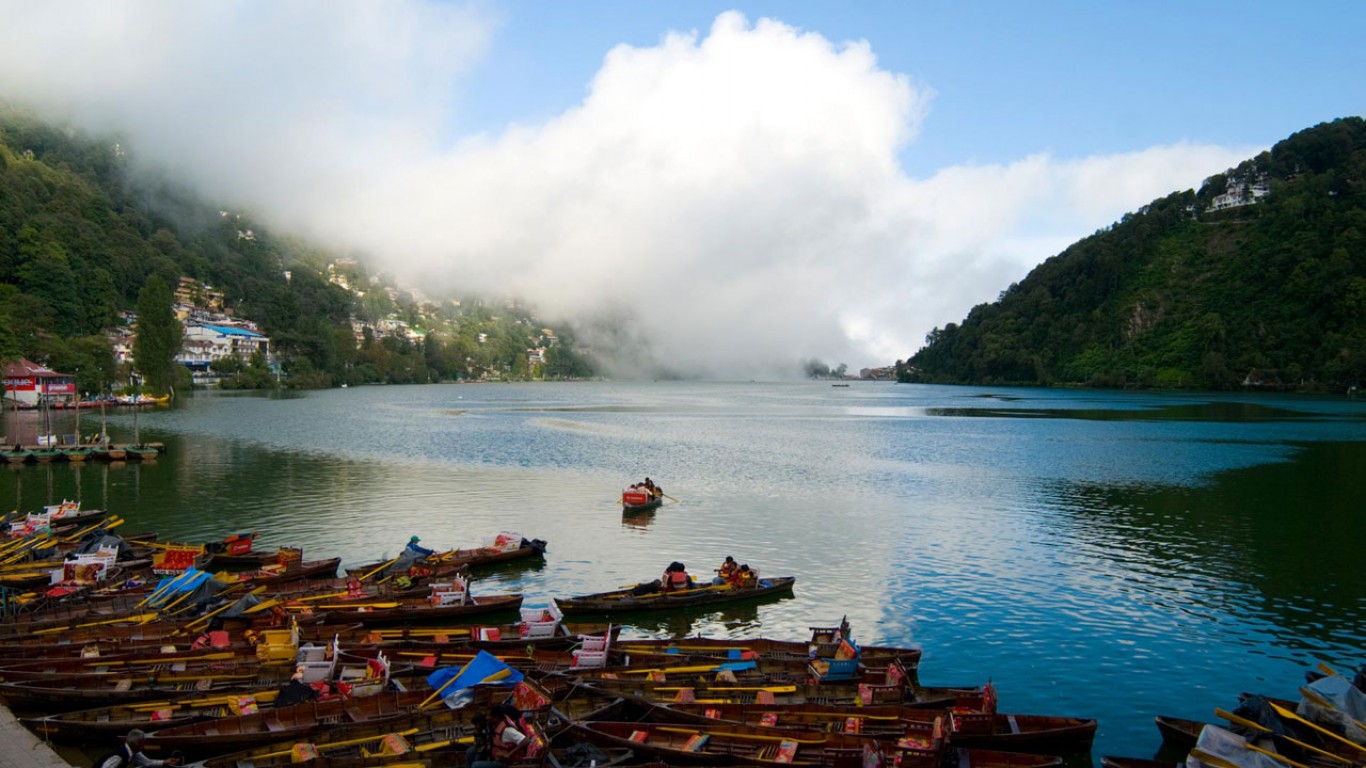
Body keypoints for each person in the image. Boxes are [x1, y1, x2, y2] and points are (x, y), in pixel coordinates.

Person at [92, 729, 182, 767]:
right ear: (136, 743)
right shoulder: (118, 757)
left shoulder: (134, 752)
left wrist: (165, 762)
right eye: (142, 744)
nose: (143, 746)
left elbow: (147, 763)